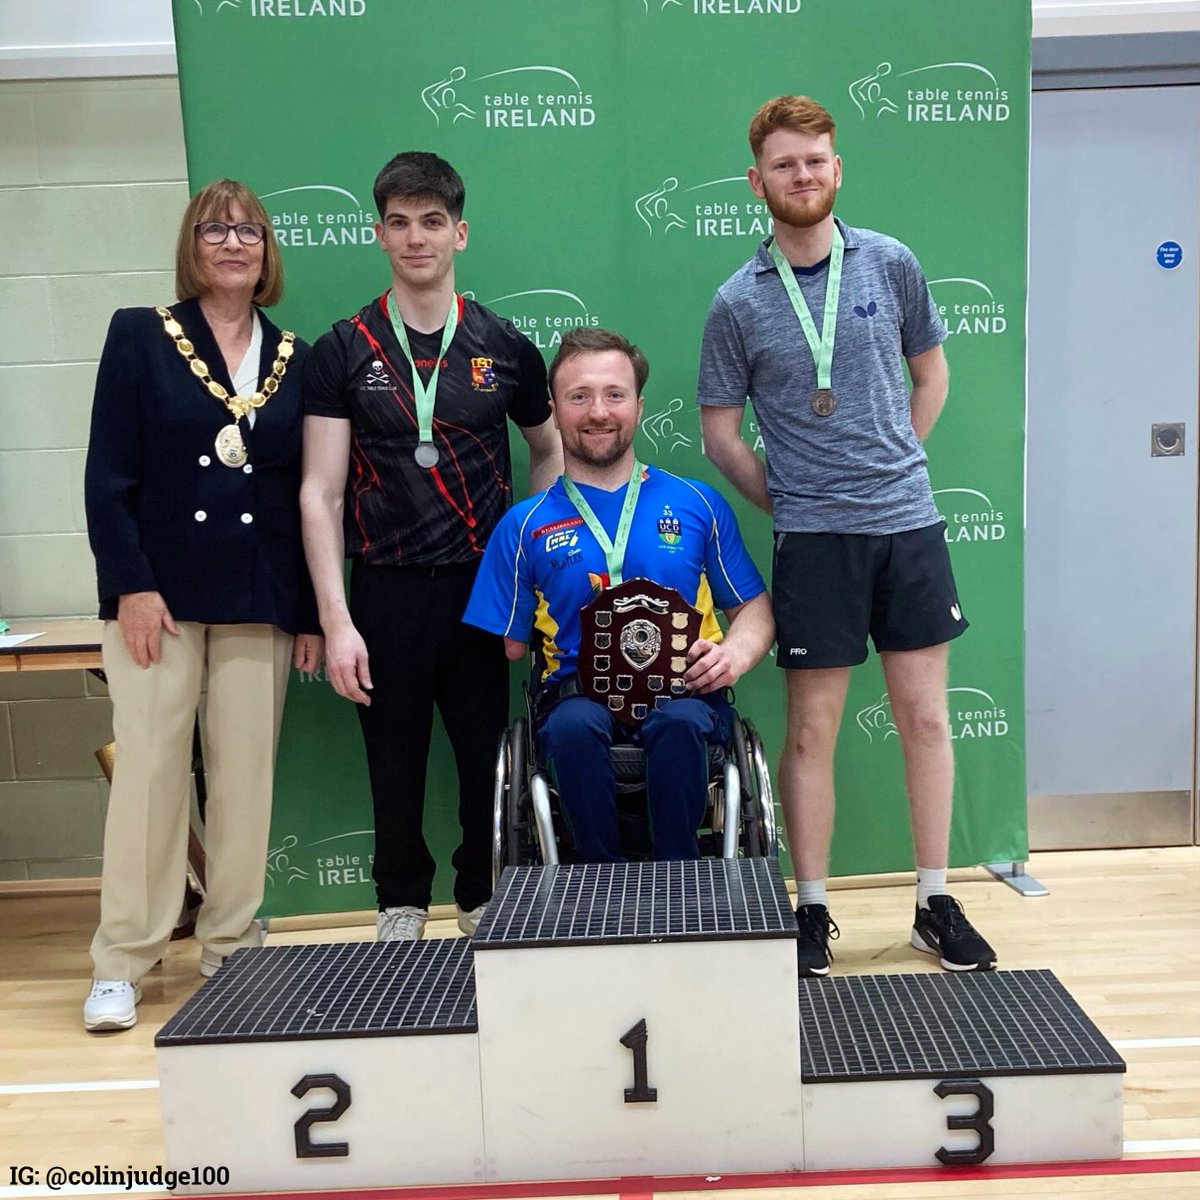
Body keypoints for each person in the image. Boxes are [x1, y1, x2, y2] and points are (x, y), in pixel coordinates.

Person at [697, 95, 996, 975]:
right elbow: (721, 436)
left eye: (817, 160)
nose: (803, 175)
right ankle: (813, 909)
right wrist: (793, 499)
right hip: (814, 540)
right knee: (810, 733)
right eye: (786, 164)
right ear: (759, 181)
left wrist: (895, 461)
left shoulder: (891, 263)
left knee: (927, 721)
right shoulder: (735, 302)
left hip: (907, 527)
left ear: (838, 169)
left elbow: (931, 377)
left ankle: (935, 899)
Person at [82, 179, 323, 1032]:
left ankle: (230, 947)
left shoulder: (294, 354)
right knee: (148, 774)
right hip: (160, 595)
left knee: (244, 776)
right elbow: (108, 477)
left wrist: (310, 613)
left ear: (267, 251)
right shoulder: (142, 335)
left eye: (248, 229)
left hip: (259, 595)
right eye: (215, 229)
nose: (232, 242)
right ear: (192, 245)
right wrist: (131, 586)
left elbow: (304, 492)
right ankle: (124, 957)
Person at [301, 152, 561, 941]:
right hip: (383, 587)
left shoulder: (502, 344)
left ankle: (481, 895)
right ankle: (400, 904)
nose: (417, 238)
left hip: (483, 588)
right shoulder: (342, 349)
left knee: (486, 755)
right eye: (401, 223)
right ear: (380, 233)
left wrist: (528, 567)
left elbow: (548, 449)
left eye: (433, 222)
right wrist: (337, 619)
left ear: (460, 233)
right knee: (394, 758)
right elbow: (320, 492)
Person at [464, 328, 774, 862]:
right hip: (576, 698)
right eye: (578, 396)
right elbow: (511, 646)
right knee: (572, 726)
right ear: (554, 411)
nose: (598, 411)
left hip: (684, 693)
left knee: (677, 721)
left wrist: (733, 654)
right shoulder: (522, 526)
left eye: (614, 394)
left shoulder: (697, 502)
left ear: (638, 406)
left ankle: (680, 879)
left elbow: (753, 609)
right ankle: (599, 883)